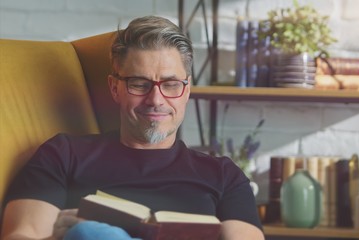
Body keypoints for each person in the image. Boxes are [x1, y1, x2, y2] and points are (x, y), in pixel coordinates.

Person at [1, 16, 264, 240]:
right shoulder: (63, 154)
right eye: (139, 84)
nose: (156, 100)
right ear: (115, 88)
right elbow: (21, 235)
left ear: (187, 90)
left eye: (171, 84)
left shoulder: (223, 176)